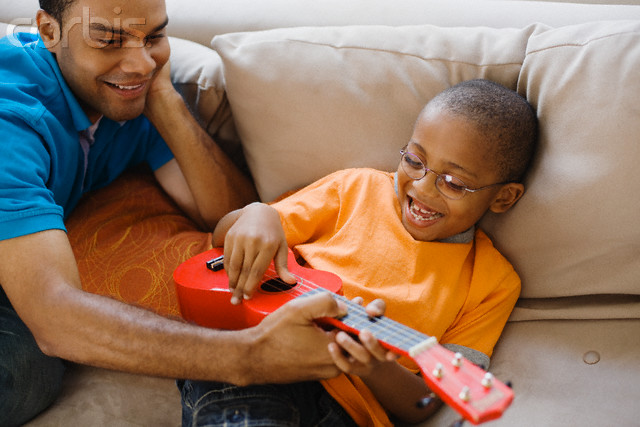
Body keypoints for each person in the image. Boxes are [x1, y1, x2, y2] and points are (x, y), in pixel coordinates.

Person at [0, 0, 361, 425]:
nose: (140, 63)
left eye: (154, 36)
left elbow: (225, 214)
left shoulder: (126, 96)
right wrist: (249, 357)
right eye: (109, 41)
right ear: (49, 32)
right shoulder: (13, 121)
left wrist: (164, 100)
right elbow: (55, 318)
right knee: (24, 372)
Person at [200, 79, 539, 426]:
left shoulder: (494, 283)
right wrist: (258, 212)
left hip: (347, 412)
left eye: (454, 183)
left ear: (503, 197)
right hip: (259, 358)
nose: (422, 188)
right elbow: (221, 239)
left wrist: (375, 367)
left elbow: (425, 403)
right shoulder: (355, 188)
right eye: (414, 160)